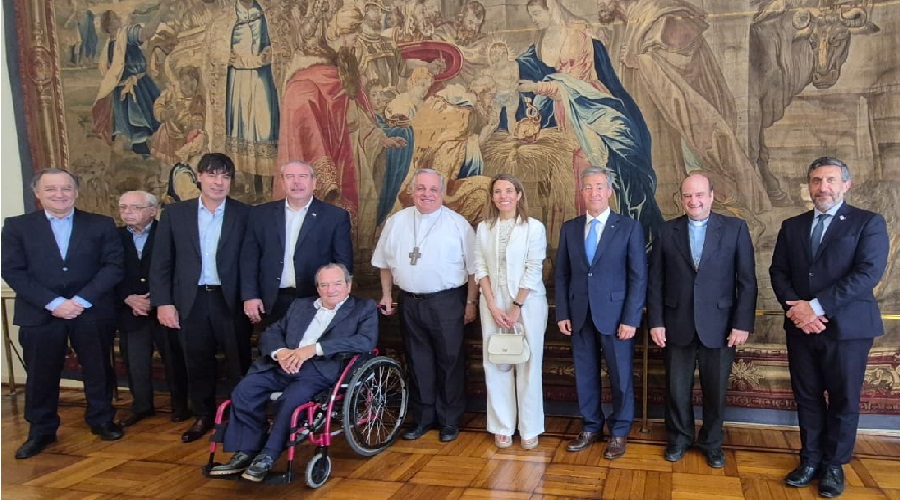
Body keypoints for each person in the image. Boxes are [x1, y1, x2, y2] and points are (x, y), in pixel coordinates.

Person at [769, 157, 889, 499]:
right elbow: (778, 272)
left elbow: (867, 274)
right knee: (806, 397)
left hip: (848, 330)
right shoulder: (792, 225)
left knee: (843, 400)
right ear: (809, 186)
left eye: (831, 180)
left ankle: (834, 466)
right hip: (801, 329)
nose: (823, 187)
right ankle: (809, 460)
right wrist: (798, 311)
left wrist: (815, 307)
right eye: (817, 180)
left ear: (846, 185)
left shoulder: (868, 223)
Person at [208, 263, 378, 482]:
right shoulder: (300, 305)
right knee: (245, 390)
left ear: (348, 285)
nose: (331, 289)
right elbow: (272, 333)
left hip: (320, 369)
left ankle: (268, 454)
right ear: (318, 289)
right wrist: (281, 353)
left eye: (337, 283)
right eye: (324, 285)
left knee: (291, 400)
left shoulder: (362, 308)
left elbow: (365, 341)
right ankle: (247, 450)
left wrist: (313, 349)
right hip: (284, 364)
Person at [2, 169, 125, 459]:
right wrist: (53, 302)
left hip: (90, 311)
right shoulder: (17, 227)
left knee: (98, 369)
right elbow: (12, 270)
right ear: (38, 194)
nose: (59, 194)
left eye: (66, 188)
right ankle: (41, 430)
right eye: (51, 189)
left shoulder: (101, 224)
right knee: (40, 375)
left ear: (76, 192)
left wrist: (81, 300)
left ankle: (102, 419)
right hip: (41, 313)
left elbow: (113, 266)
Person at [647, 173, 757, 468]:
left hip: (721, 326)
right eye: (687, 196)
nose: (693, 201)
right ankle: (679, 439)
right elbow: (655, 281)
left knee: (716, 388)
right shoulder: (666, 230)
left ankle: (711, 443)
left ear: (711, 195)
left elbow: (747, 281)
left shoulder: (735, 229)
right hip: (675, 323)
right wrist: (656, 321)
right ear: (681, 199)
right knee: (676, 388)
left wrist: (742, 323)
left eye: (698, 195)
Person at [150, 153, 252, 444]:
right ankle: (204, 415)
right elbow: (161, 263)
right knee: (196, 361)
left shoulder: (245, 214)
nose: (218, 182)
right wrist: (164, 302)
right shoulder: (175, 214)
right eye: (212, 175)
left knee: (238, 361)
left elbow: (251, 260)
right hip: (190, 301)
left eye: (225, 176)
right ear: (199, 177)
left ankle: (240, 416)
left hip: (229, 301)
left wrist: (249, 296)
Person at [372, 168, 478, 442]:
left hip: (447, 303)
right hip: (409, 302)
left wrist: (470, 303)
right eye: (421, 188)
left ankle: (449, 421)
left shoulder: (458, 224)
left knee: (449, 362)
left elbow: (473, 271)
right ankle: (422, 419)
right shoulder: (396, 221)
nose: (427, 194)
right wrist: (386, 294)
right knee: (418, 363)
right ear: (412, 191)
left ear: (442, 193)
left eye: (433, 189)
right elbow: (383, 263)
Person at [554, 166, 646, 459]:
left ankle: (619, 431)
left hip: (617, 317)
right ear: (582, 193)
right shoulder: (570, 228)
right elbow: (562, 275)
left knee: (620, 377)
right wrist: (562, 312)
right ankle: (591, 426)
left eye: (599, 187)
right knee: (585, 374)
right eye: (588, 187)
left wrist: (631, 318)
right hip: (579, 315)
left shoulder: (629, 227)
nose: (593, 192)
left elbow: (638, 276)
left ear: (609, 192)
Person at [473, 174, 548, 450]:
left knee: (528, 363)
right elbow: (479, 266)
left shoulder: (533, 227)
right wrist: (492, 303)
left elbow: (534, 267)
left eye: (508, 191)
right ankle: (502, 425)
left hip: (527, 302)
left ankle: (529, 427)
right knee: (496, 361)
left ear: (518, 195)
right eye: (497, 191)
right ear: (492, 197)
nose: (503, 196)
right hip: (491, 301)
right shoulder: (484, 228)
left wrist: (516, 305)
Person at [241, 161, 354, 326]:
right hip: (272, 302)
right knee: (275, 349)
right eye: (290, 177)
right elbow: (249, 258)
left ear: (314, 182)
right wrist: (250, 295)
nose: (296, 182)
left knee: (312, 351)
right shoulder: (260, 214)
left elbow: (343, 263)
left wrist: (335, 297)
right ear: (282, 182)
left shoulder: (335, 217)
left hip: (317, 301)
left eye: (302, 176)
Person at [114, 191, 190, 427]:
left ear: (153, 210)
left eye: (135, 207)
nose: (128, 212)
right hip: (130, 310)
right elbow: (108, 271)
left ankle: (180, 406)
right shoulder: (113, 237)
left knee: (174, 360)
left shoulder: (168, 233)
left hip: (165, 308)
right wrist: (128, 297)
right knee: (135, 362)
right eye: (123, 207)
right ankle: (141, 406)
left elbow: (179, 270)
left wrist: (157, 299)